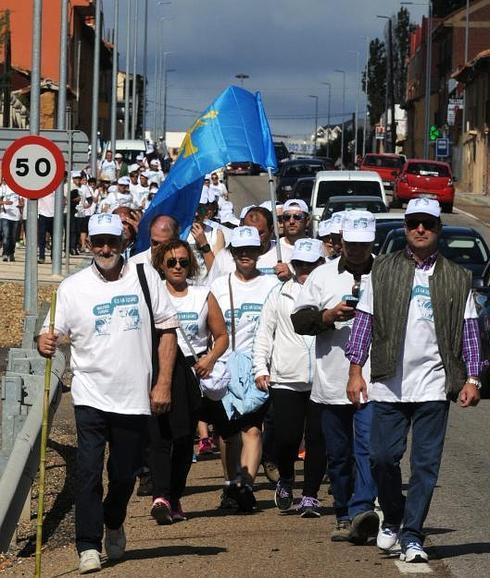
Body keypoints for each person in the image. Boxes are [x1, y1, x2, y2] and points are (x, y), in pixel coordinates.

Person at [37, 213, 179, 574]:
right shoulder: (72, 287)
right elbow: (49, 333)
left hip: (133, 396)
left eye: (111, 242)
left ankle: (113, 521)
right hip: (89, 394)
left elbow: (167, 330)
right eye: (98, 241)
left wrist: (163, 382)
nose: (104, 248)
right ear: (88, 243)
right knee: (87, 472)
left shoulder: (145, 277)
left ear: (123, 243)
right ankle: (87, 544)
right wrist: (46, 342)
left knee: (124, 473)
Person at [346, 198, 483, 563]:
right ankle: (392, 514)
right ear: (406, 227)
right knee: (381, 457)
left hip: (434, 386)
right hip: (389, 383)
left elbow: (470, 331)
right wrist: (356, 370)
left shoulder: (457, 277)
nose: (419, 229)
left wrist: (473, 378)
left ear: (438, 229)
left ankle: (412, 534)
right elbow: (364, 321)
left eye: (427, 224)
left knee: (425, 466)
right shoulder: (385, 269)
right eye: (413, 223)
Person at [292, 211, 378, 543]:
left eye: (362, 244)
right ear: (340, 241)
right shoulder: (322, 276)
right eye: (350, 243)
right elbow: (299, 320)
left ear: (372, 242)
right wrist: (328, 316)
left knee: (369, 450)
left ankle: (363, 510)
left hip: (374, 381)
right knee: (339, 455)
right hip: (331, 382)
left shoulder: (385, 273)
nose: (356, 250)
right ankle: (344, 514)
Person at [148, 239, 229, 523]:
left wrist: (210, 359)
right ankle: (160, 495)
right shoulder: (152, 295)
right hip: (157, 367)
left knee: (183, 439)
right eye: (171, 262)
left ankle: (174, 495)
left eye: (183, 261)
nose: (178, 267)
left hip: (190, 372)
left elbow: (221, 336)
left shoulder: (202, 295)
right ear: (161, 265)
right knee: (158, 435)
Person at [203, 225, 280, 512]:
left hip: (259, 367)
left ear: (260, 252)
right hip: (224, 368)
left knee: (253, 430)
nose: (245, 255)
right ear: (232, 253)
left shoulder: (272, 285)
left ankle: (246, 486)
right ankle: (230, 483)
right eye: (240, 250)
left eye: (251, 250)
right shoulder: (219, 286)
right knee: (228, 433)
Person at [253, 239, 325, 512]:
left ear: (321, 264)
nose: (304, 269)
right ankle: (285, 477)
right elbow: (264, 333)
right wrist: (261, 367)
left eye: (311, 264)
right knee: (286, 437)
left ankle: (310, 494)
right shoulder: (279, 294)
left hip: (322, 378)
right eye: (299, 264)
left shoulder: (329, 294)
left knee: (318, 439)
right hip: (286, 378)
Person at [274, 199, 310, 281]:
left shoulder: (317, 247)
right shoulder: (275, 246)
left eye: (297, 217)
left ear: (307, 221)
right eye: (287, 217)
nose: (291, 221)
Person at [0, 179, 23, 262]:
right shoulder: (3, 188)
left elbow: (21, 200)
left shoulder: (18, 188)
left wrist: (21, 205)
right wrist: (4, 202)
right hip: (5, 215)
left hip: (16, 216)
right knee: (6, 236)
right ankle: (5, 254)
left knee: (13, 237)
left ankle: (11, 254)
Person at [38, 191, 55, 264]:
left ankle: (54, 257)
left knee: (55, 238)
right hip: (43, 215)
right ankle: (41, 257)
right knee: (41, 238)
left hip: (54, 215)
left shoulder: (57, 189)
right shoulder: (42, 188)